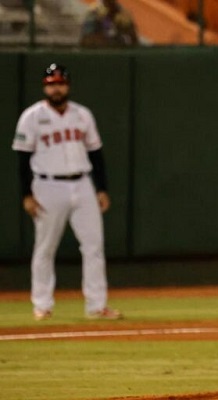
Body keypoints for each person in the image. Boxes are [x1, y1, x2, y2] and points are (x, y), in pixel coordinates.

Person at [12, 63, 121, 321]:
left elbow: (96, 153)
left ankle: (96, 305)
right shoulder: (31, 116)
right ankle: (42, 304)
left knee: (94, 246)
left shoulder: (82, 115)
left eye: (60, 83)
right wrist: (27, 194)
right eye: (51, 84)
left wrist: (101, 188)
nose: (56, 88)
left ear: (68, 86)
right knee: (45, 247)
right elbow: (23, 159)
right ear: (44, 87)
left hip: (82, 183)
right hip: (47, 185)